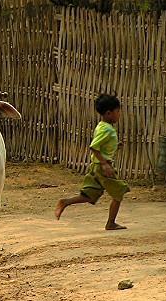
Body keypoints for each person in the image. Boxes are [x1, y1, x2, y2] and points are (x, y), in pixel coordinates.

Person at [55, 94, 130, 230]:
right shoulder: (107, 130)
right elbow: (94, 147)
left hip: (96, 167)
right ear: (108, 113)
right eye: (117, 111)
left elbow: (101, 146)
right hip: (102, 168)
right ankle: (111, 223)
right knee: (119, 192)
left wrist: (114, 145)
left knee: (89, 196)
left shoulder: (102, 126)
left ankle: (65, 202)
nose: (119, 115)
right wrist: (105, 164)